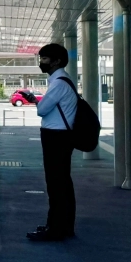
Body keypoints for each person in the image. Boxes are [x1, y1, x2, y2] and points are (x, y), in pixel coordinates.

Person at [28, 43, 77, 241]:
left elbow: (42, 110)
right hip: (60, 136)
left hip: (56, 138)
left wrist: (37, 102)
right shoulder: (62, 81)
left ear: (57, 60)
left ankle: (56, 229)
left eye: (45, 58)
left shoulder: (58, 83)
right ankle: (61, 226)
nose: (42, 62)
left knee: (56, 184)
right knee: (62, 183)